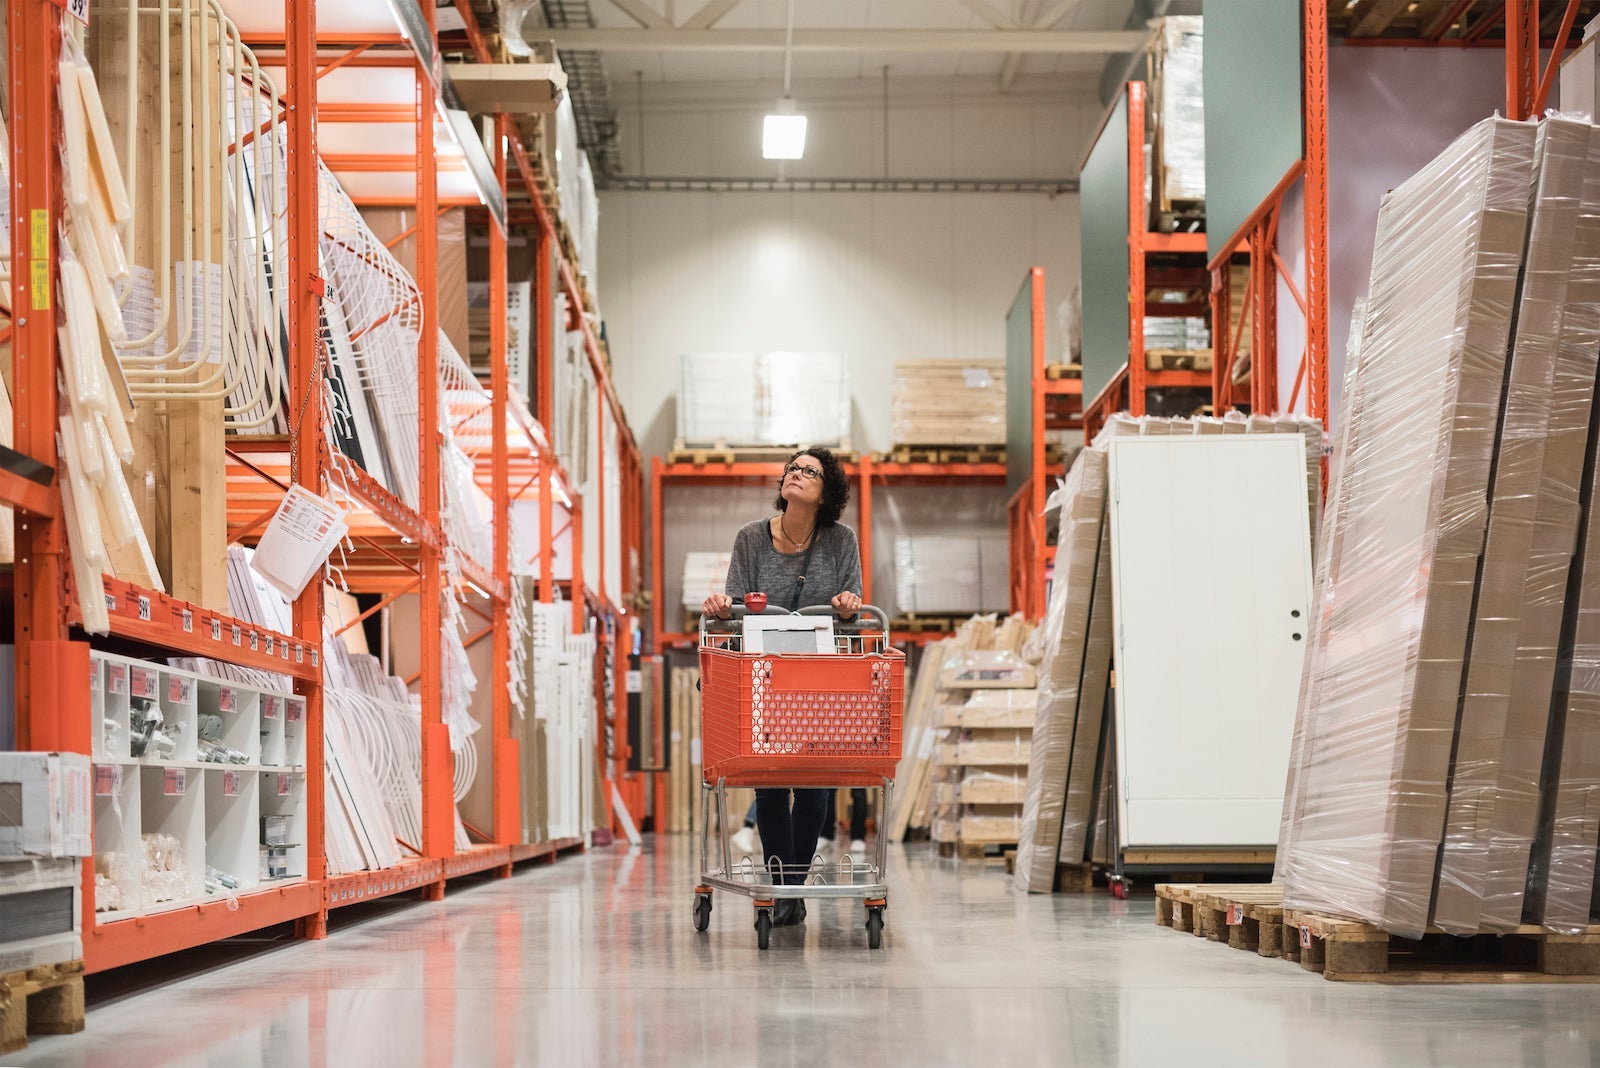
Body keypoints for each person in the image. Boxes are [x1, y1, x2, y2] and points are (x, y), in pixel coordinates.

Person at [703, 447, 862, 927]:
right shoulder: (750, 539)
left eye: (809, 471)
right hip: (763, 678)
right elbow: (732, 608)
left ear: (825, 491)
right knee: (770, 785)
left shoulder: (841, 540)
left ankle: (790, 889)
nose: (796, 474)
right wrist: (720, 607)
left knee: (815, 788)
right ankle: (783, 889)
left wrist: (849, 604)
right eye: (792, 468)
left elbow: (853, 612)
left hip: (820, 682)